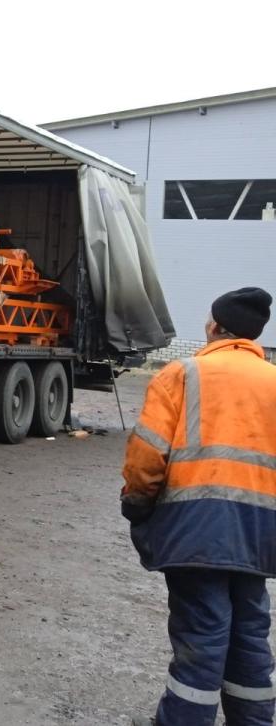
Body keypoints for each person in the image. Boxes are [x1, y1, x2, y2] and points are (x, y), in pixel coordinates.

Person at [123, 287, 276, 726]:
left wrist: (137, 505)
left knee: (203, 633)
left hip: (196, 531)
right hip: (260, 534)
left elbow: (146, 457)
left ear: (214, 327)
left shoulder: (183, 374)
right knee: (249, 632)